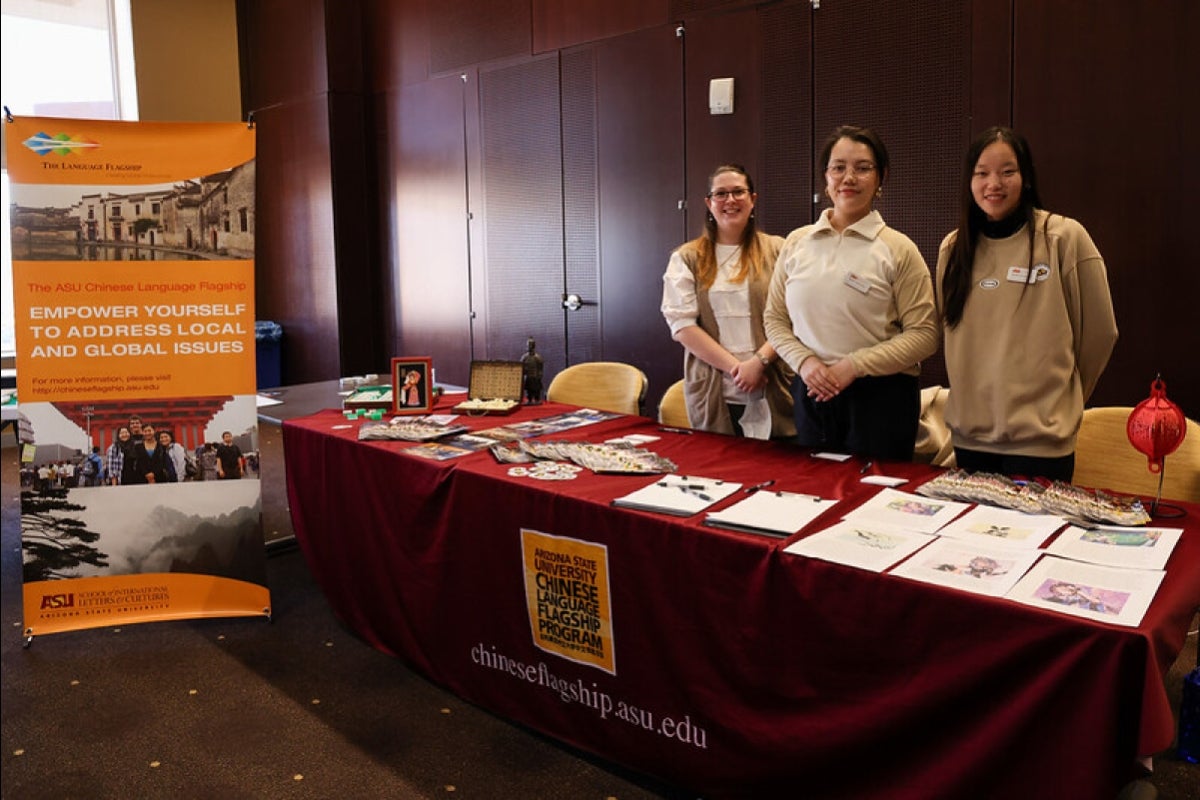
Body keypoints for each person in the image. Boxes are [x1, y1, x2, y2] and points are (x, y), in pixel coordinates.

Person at [935, 126, 1117, 482]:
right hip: (970, 441)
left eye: (1007, 172)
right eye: (982, 173)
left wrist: (1063, 400)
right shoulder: (954, 249)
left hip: (1042, 446)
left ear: (1026, 177)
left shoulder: (1063, 237)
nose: (994, 184)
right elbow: (947, 332)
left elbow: (1099, 333)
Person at [765, 125, 938, 460]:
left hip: (881, 398)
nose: (849, 178)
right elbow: (774, 319)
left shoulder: (899, 248)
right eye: (838, 167)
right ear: (825, 176)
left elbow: (925, 334)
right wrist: (805, 362)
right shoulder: (797, 242)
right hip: (811, 389)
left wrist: (854, 366)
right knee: (815, 496)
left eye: (862, 168)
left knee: (874, 503)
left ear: (880, 178)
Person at [660, 163, 795, 438]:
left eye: (738, 192)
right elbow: (683, 327)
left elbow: (795, 316)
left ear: (752, 199)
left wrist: (758, 363)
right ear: (709, 203)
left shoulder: (781, 250)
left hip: (775, 382)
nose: (730, 200)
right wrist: (738, 369)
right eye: (721, 194)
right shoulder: (686, 257)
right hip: (715, 391)